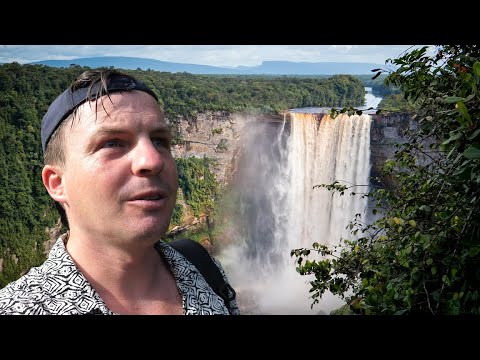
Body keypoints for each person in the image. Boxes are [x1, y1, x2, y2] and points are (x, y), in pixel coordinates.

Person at [0, 69, 239, 315]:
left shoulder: (207, 271)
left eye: (159, 141)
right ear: (57, 183)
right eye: (112, 143)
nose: (152, 159)